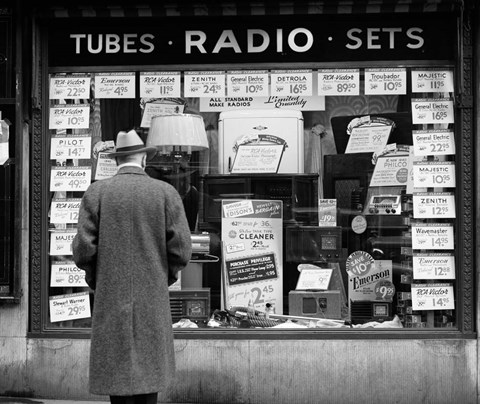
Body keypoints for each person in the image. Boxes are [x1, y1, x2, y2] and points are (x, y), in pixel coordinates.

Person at [72, 129, 192, 404]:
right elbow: (182, 250)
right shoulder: (165, 192)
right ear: (143, 160)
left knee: (117, 376)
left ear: (116, 161)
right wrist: (165, 276)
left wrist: (98, 278)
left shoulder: (97, 192)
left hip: (110, 295)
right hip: (152, 295)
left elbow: (83, 250)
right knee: (150, 376)